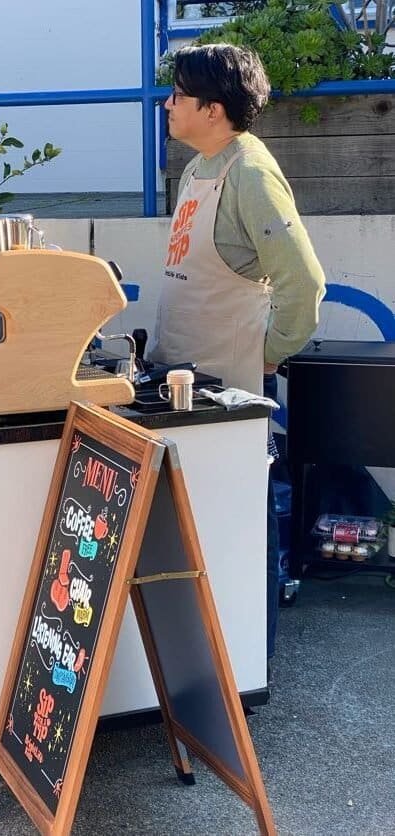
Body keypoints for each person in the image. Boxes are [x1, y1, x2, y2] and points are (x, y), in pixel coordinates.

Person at [148, 43, 326, 672]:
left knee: (243, 528)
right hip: (181, 377)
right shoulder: (199, 169)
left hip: (231, 389)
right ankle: (201, 661)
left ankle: (250, 668)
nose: (167, 104)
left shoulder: (250, 174)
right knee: (195, 531)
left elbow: (304, 284)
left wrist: (267, 354)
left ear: (214, 109)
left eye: (179, 94)